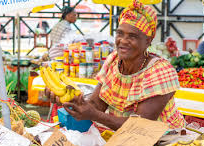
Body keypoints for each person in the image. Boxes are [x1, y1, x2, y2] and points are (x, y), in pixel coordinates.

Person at [46, 0, 185, 130]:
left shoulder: (160, 71)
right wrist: (74, 102)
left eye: (132, 36)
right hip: (124, 139)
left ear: (148, 41)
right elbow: (96, 105)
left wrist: (94, 115)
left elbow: (140, 125)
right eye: (120, 33)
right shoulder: (114, 61)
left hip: (165, 141)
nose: (123, 41)